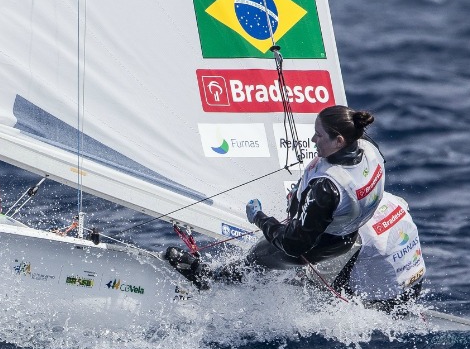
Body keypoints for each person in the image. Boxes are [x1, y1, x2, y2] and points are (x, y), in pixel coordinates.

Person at [165, 105, 425, 309]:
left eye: (319, 135)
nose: (313, 139)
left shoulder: (328, 186)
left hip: (323, 244)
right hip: (349, 234)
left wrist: (260, 218)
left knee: (256, 260)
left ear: (339, 141)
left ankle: (208, 280)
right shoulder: (368, 148)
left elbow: (293, 244)